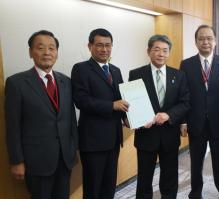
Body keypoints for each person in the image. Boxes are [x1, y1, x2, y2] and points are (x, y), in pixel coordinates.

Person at [5, 30, 78, 199]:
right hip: (36, 162)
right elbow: (13, 126)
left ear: (57, 53)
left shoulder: (65, 81)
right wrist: (17, 161)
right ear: (30, 52)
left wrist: (73, 148)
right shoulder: (16, 83)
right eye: (41, 48)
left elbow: (70, 119)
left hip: (64, 159)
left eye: (52, 48)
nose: (47, 53)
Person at [128, 34, 190, 198]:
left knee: (170, 178)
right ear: (148, 51)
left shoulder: (178, 75)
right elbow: (132, 104)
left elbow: (185, 103)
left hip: (169, 135)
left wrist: (168, 115)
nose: (161, 54)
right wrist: (138, 120)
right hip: (146, 135)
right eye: (156, 49)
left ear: (169, 53)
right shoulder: (135, 74)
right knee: (144, 179)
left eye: (165, 50)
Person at [71, 28, 129, 199]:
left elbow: (120, 100)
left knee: (109, 185)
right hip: (93, 141)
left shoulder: (116, 70)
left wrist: (126, 117)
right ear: (89, 46)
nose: (104, 49)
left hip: (114, 139)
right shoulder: (81, 69)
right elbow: (81, 100)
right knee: (93, 187)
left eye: (108, 45)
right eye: (99, 45)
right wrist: (112, 106)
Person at [180, 25, 219, 199]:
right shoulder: (186, 64)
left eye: (209, 38)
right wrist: (184, 121)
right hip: (196, 122)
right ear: (196, 42)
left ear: (215, 41)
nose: (205, 42)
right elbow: (184, 95)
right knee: (196, 163)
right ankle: (195, 194)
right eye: (201, 38)